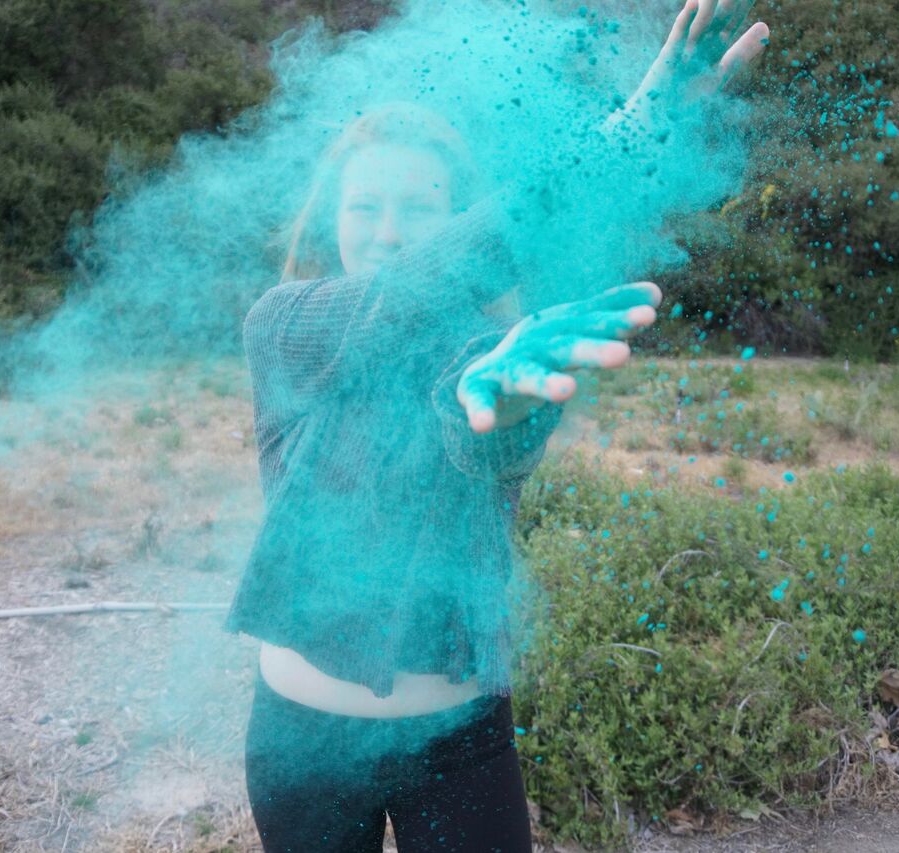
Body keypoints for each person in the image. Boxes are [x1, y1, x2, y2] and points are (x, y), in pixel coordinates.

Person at [223, 2, 770, 850]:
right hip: (302, 746)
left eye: (420, 207)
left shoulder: (496, 345)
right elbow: (395, 299)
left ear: (455, 217)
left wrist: (503, 404)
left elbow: (478, 422)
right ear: (330, 218)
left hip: (460, 743)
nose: (390, 232)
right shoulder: (285, 325)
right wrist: (621, 143)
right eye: (365, 207)